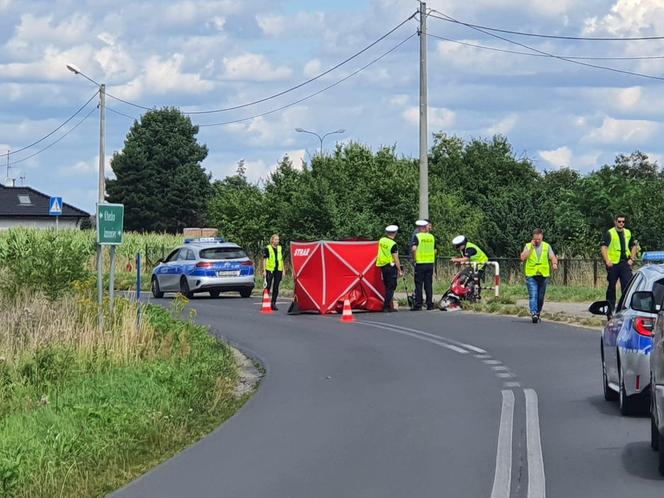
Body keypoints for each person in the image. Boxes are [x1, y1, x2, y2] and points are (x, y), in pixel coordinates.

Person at [600, 215, 638, 314]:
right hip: (613, 264)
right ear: (615, 222)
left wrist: (632, 259)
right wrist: (607, 260)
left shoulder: (628, 232)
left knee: (627, 285)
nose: (621, 223)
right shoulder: (610, 233)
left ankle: (625, 307)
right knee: (611, 286)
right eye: (619, 221)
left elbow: (634, 245)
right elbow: (603, 247)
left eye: (623, 222)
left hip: (625, 263)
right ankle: (610, 307)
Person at [520, 228, 558, 323]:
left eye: (539, 239)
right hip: (531, 275)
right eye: (535, 239)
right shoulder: (528, 246)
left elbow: (552, 256)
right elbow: (523, 257)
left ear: (542, 237)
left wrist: (554, 264)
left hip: (543, 275)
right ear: (533, 238)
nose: (537, 241)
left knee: (540, 297)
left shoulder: (546, 246)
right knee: (533, 295)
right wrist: (531, 248)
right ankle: (534, 313)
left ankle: (538, 312)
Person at [376, 225, 403, 312]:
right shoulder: (393, 244)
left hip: (382, 266)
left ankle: (388, 305)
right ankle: (386, 306)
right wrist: (400, 270)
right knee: (391, 287)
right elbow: (396, 258)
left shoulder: (382, 240)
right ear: (395, 233)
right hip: (391, 267)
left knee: (387, 286)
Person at [410, 219, 435, 310]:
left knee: (419, 284)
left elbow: (413, 249)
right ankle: (430, 304)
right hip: (430, 263)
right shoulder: (431, 237)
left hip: (420, 263)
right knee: (428, 284)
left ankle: (418, 304)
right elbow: (435, 250)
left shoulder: (417, 236)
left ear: (421, 227)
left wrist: (414, 259)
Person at [263, 234, 284, 311]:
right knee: (268, 286)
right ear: (272, 240)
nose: (277, 241)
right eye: (276, 239)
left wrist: (283, 269)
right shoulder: (267, 248)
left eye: (278, 240)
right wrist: (264, 270)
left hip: (278, 269)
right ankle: (265, 301)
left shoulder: (280, 248)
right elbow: (264, 260)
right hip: (270, 269)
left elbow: (281, 259)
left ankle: (273, 303)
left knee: (276, 287)